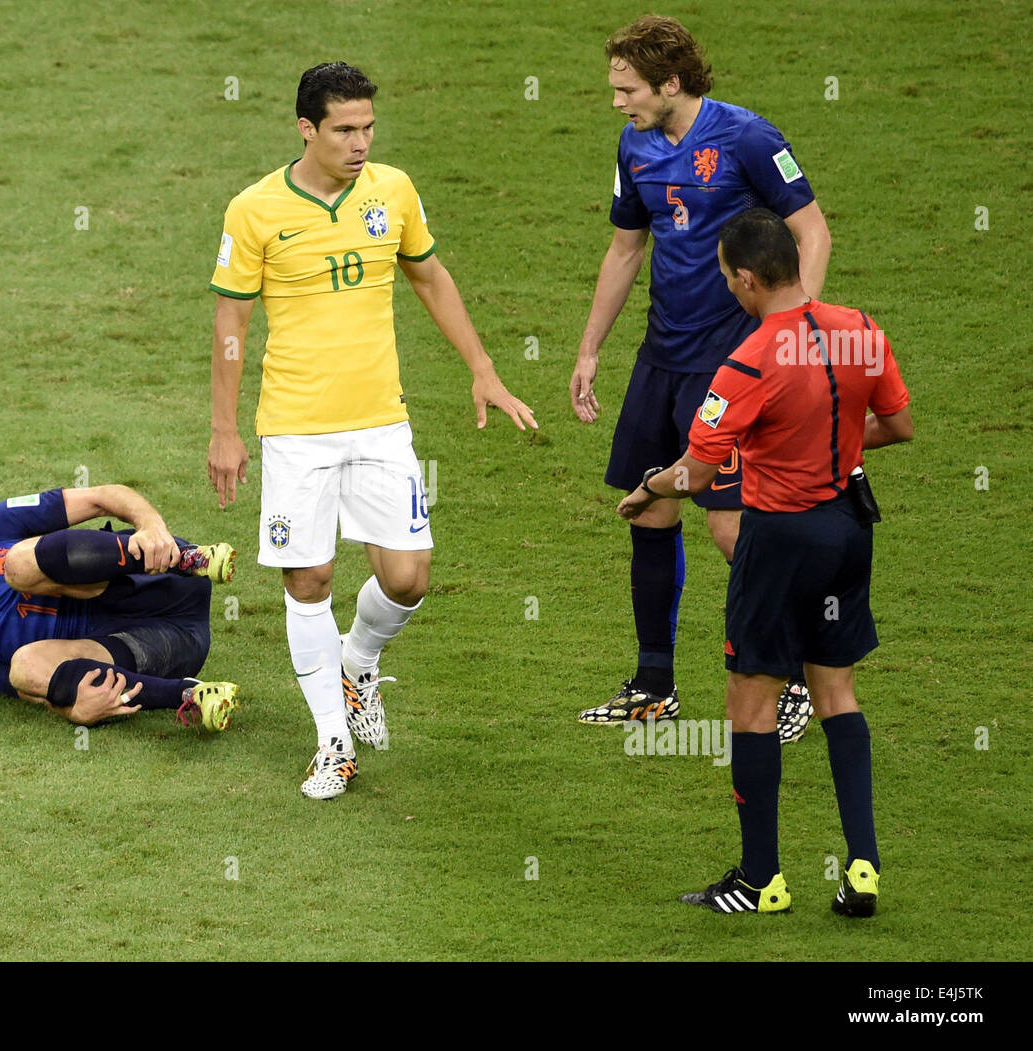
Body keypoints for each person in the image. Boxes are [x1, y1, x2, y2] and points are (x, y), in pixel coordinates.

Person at [207, 61, 536, 799]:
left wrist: (482, 367)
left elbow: (428, 275)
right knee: (310, 577)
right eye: (345, 130)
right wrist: (225, 429)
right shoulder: (254, 210)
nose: (360, 143)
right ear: (307, 129)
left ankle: (360, 662)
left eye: (368, 128)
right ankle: (333, 743)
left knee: (408, 575)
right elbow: (230, 321)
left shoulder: (393, 191)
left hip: (381, 420)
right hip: (295, 429)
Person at [616, 208, 912, 915]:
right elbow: (898, 424)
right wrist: (831, 440)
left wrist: (646, 487)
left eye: (727, 278)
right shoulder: (862, 329)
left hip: (781, 541)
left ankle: (759, 880)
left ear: (747, 278)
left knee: (749, 704)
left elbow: (695, 472)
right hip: (849, 530)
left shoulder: (749, 359)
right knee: (837, 692)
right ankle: (863, 864)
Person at [570, 14, 832, 741]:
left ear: (672, 82)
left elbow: (812, 230)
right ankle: (654, 686)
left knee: (730, 526)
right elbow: (627, 248)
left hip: (733, 363)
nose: (618, 101)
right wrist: (591, 348)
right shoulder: (635, 144)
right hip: (663, 357)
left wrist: (792, 332)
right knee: (648, 507)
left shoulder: (748, 137)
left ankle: (800, 679)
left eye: (628, 88)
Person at [0, 484, 240, 730]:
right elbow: (34, 692)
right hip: (160, 648)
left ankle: (189, 558)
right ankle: (190, 696)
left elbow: (101, 496)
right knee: (22, 669)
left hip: (163, 577)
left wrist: (151, 526)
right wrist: (74, 710)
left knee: (17, 565)